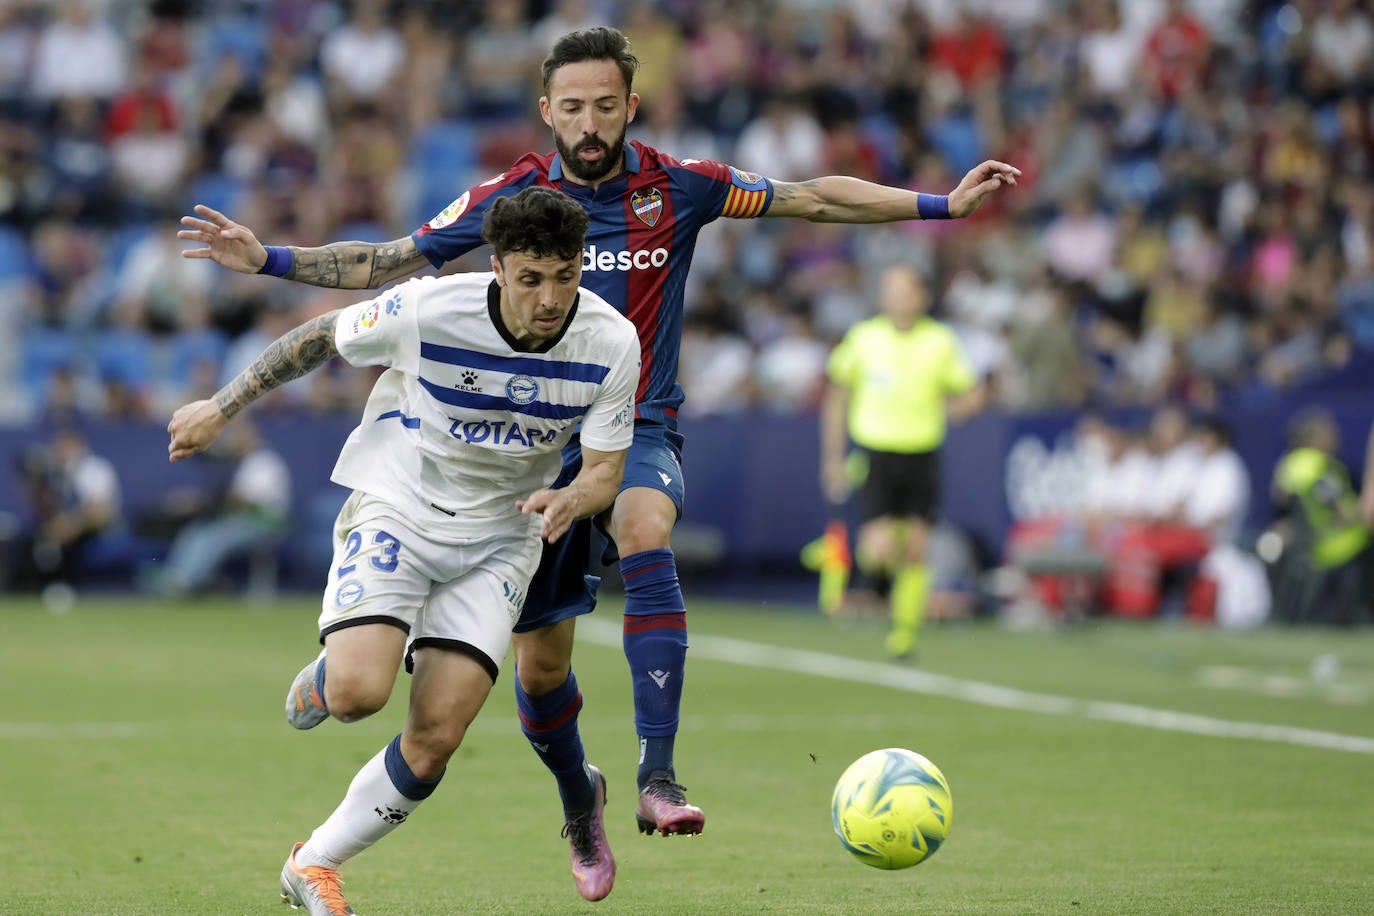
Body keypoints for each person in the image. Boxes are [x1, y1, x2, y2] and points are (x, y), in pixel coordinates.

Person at [176, 26, 1019, 842]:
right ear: (547, 109)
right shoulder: (514, 204)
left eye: (605, 106)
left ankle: (659, 776)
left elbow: (812, 197)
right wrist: (271, 260)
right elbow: (395, 260)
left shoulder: (680, 187)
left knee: (645, 522)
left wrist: (943, 204)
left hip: (639, 423)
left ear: (631, 106)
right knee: (540, 670)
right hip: (532, 450)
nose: (589, 124)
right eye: (573, 107)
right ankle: (579, 798)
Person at [167, 186, 640, 910]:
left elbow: (605, 470)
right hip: (401, 506)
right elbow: (319, 337)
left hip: (502, 540)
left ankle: (314, 863)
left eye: (566, 275)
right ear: (500, 267)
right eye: (531, 278)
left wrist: (573, 499)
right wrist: (220, 407)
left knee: (437, 735)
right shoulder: (430, 309)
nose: (551, 297)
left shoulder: (610, 341)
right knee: (359, 695)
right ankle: (337, 669)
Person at [820, 264, 985, 659]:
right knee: (878, 548)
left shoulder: (940, 341)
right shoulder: (864, 338)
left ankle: (904, 635)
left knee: (915, 547)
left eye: (904, 290)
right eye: (890, 289)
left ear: (921, 297)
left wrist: (964, 407)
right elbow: (837, 399)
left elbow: (970, 391)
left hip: (921, 453)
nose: (897, 297)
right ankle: (846, 571)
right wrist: (832, 459)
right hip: (876, 451)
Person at [144, 418, 291, 597]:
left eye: (238, 435)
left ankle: (187, 583)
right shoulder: (242, 463)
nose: (234, 440)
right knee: (197, 530)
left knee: (214, 536)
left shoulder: (264, 462)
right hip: (241, 521)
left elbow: (244, 502)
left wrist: (200, 501)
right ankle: (176, 576)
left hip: (265, 525)